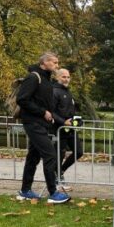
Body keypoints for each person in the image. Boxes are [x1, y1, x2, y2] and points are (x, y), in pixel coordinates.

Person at [16, 52, 71, 204]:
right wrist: (43, 112)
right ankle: (53, 193)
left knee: (33, 157)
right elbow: (22, 99)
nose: (57, 65)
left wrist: (53, 115)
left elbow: (46, 104)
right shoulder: (34, 77)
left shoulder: (47, 79)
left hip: (41, 124)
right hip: (32, 123)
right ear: (44, 62)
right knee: (50, 155)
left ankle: (25, 191)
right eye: (54, 62)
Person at [52, 68, 83, 190]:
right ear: (57, 78)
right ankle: (58, 180)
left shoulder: (68, 92)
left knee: (79, 152)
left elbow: (70, 111)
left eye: (68, 77)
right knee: (60, 154)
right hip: (59, 129)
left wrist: (77, 120)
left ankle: (60, 172)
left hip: (70, 128)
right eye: (63, 77)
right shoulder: (54, 92)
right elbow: (51, 112)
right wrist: (63, 121)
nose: (66, 79)